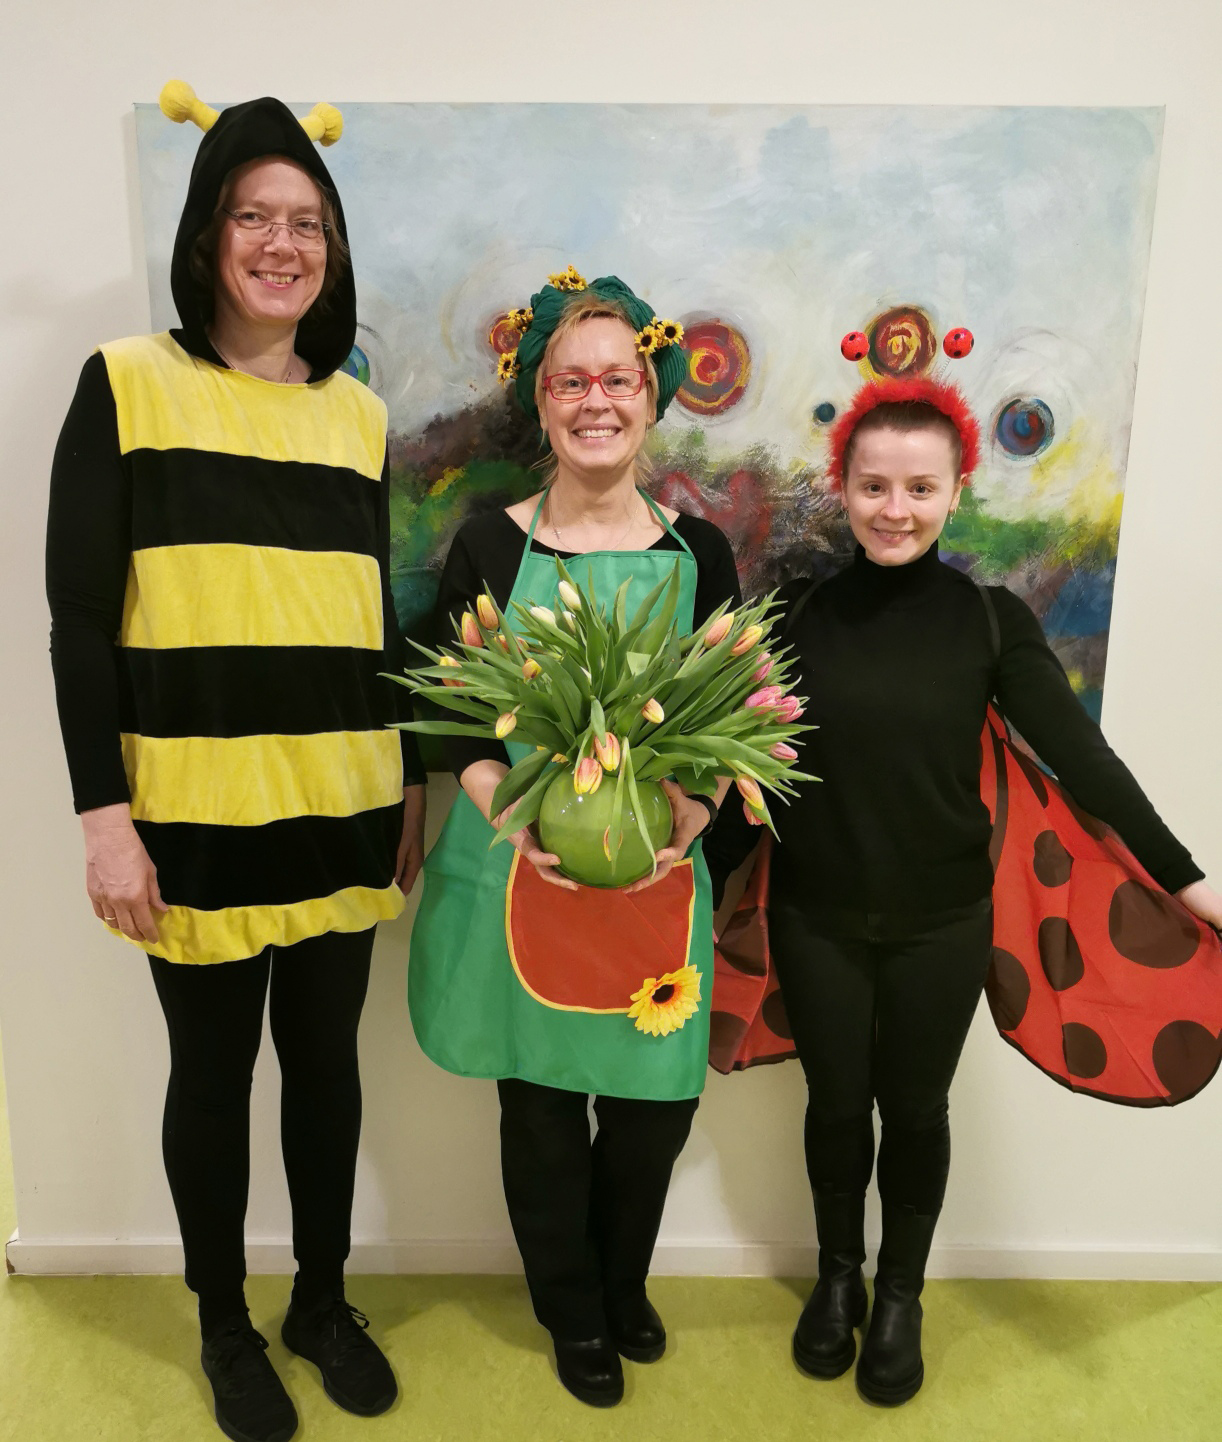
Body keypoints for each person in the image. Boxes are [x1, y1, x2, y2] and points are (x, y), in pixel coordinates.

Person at [703, 373, 1222, 1407]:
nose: (896, 508)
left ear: (953, 490)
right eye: (875, 485)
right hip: (814, 914)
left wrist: (1189, 878)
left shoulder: (988, 622)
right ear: (842, 486)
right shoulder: (790, 614)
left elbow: (1085, 760)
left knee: (915, 1107)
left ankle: (901, 1295)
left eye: (919, 488)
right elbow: (722, 766)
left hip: (942, 922)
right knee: (835, 1106)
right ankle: (838, 1280)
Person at [45, 83, 426, 1442]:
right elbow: (81, 620)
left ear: (332, 246)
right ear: (209, 232)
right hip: (191, 812)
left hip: (341, 802)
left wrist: (411, 782)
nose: (282, 242)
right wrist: (104, 815)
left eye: (307, 221)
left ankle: (320, 1300)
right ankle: (223, 1320)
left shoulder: (357, 418)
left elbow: (367, 618)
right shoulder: (128, 385)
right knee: (212, 1077)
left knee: (325, 1064)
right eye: (254, 216)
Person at [407, 270, 741, 1407]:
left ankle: (618, 1273)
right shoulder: (488, 551)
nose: (594, 399)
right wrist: (510, 806)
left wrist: (691, 809)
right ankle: (571, 1306)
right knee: (541, 1101)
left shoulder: (703, 554)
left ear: (650, 399)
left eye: (616, 379)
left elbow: (728, 724)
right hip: (524, 873)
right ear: (539, 400)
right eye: (569, 381)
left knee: (654, 1102)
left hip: (656, 876)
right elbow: (458, 719)